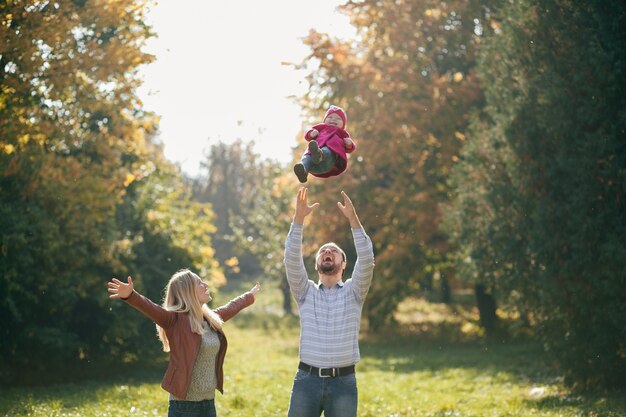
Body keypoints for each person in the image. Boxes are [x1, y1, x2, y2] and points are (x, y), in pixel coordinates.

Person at [107, 269, 260, 417]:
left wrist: (249, 296)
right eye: (199, 283)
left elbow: (231, 307)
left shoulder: (211, 319)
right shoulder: (174, 321)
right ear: (187, 291)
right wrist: (130, 295)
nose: (206, 285)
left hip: (208, 402)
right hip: (184, 407)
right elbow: (150, 308)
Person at [284, 188, 375, 417]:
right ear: (316, 265)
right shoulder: (305, 292)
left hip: (343, 383)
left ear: (343, 264)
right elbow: (292, 259)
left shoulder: (355, 292)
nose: (327, 251)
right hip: (306, 381)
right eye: (323, 251)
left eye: (334, 251)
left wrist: (353, 220)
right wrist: (298, 220)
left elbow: (366, 260)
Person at [293, 105, 356, 183]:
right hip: (313, 164)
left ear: (343, 125)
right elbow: (308, 134)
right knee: (306, 158)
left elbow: (350, 148)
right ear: (325, 120)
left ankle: (319, 155)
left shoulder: (342, 133)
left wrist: (349, 143)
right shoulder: (321, 127)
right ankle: (303, 170)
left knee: (327, 151)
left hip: (328, 162)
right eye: (330, 117)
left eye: (338, 118)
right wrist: (311, 134)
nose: (333, 119)